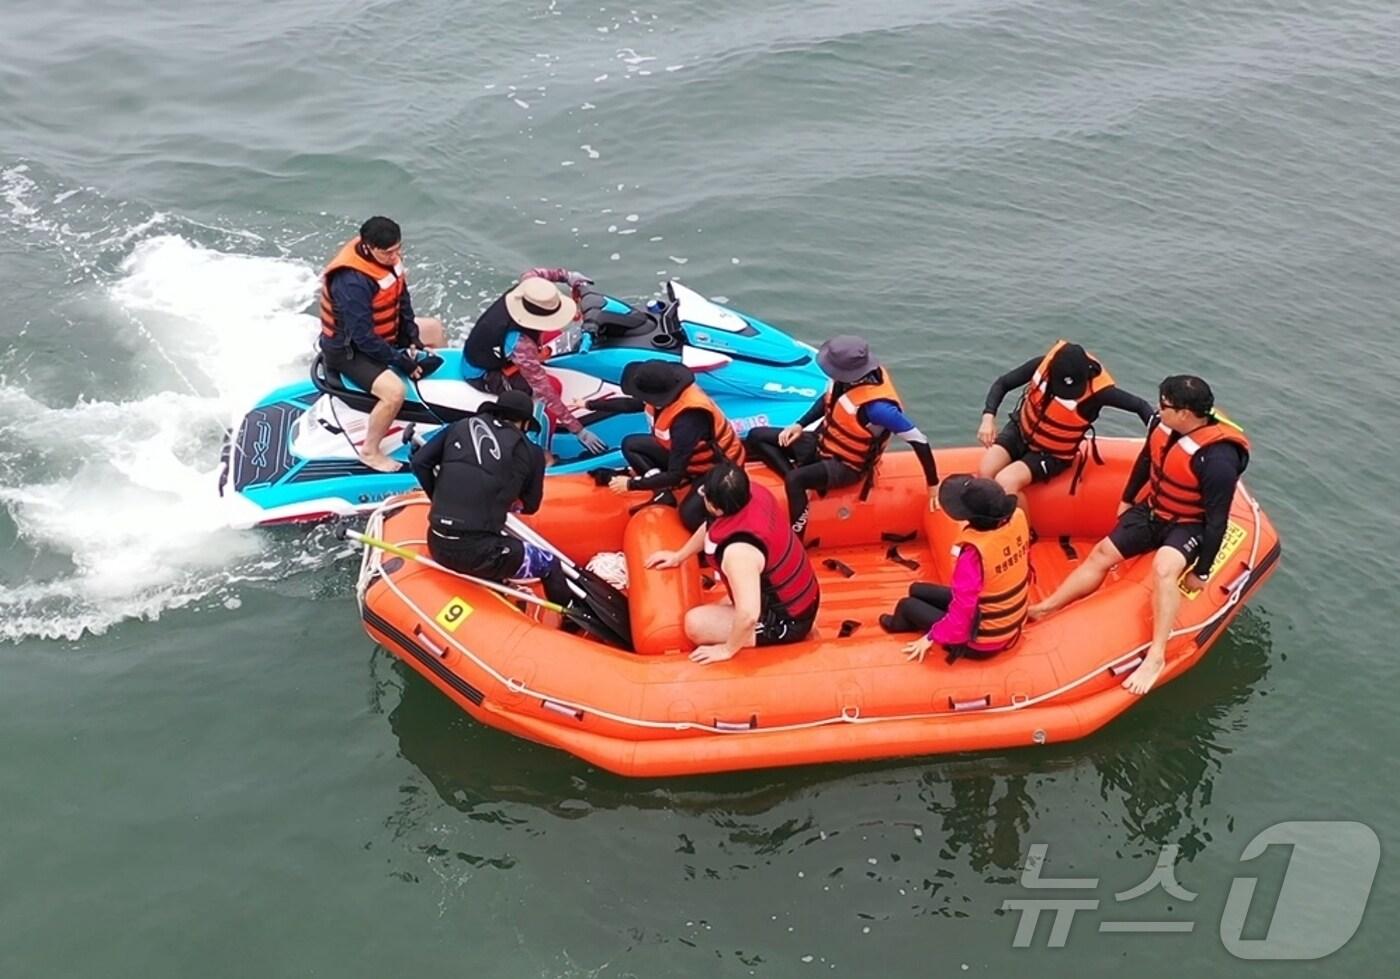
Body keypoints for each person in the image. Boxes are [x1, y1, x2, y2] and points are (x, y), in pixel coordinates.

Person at [1028, 375, 1250, 695]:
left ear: (1185, 414)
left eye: (1165, 405)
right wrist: (1128, 498)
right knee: (1103, 553)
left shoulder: (1218, 460)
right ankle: (1046, 607)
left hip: (1190, 524)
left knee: (1164, 568)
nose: (1158, 409)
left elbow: (1217, 520)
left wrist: (1202, 571)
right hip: (1154, 510)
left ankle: (1156, 654)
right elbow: (1147, 460)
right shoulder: (1163, 426)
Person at [744, 335, 940, 537]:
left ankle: (797, 539)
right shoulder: (845, 380)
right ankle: (803, 485)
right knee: (756, 436)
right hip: (823, 443)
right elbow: (828, 400)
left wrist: (932, 484)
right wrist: (800, 424)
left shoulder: (879, 408)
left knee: (795, 480)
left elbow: (919, 441)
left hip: (846, 465)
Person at [408, 390, 572, 609]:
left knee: (494, 547)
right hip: (477, 553)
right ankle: (571, 618)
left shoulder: (459, 426)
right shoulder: (532, 452)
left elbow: (419, 462)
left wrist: (437, 497)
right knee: (549, 563)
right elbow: (530, 506)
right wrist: (504, 498)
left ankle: (499, 592)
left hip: (437, 542)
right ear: (525, 423)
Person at [645, 463, 820, 664]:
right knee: (723, 606)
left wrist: (727, 650)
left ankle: (790, 633)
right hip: (799, 598)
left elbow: (748, 615)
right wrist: (679, 556)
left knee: (695, 623)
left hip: (787, 621)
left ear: (715, 507)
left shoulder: (739, 553)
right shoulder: (753, 493)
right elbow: (712, 529)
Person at [319, 216, 448, 472]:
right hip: (349, 350)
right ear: (369, 247)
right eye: (388, 252)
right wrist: (402, 362)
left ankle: (432, 403)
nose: (395, 256)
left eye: (398, 249)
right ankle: (370, 451)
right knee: (394, 393)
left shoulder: (388, 259)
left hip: (381, 336)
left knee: (434, 328)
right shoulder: (352, 281)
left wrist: (412, 336)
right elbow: (363, 337)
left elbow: (402, 299)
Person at [976, 340, 1153, 507]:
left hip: (1051, 454)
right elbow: (1003, 383)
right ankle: (993, 519)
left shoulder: (1100, 393)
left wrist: (1156, 439)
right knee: (986, 472)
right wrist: (988, 417)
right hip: (1020, 431)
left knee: (1006, 482)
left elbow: (1140, 406)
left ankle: (1024, 527)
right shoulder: (1043, 365)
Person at [884, 476, 1031, 665]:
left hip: (981, 641)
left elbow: (963, 613)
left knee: (906, 605)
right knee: (916, 589)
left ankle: (896, 626)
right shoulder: (1018, 519)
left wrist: (931, 637)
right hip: (1003, 619)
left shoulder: (973, 555)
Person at [582, 360, 746, 530]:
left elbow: (675, 474)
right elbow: (631, 404)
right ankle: (662, 493)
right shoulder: (665, 394)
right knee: (631, 445)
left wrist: (631, 484)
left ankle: (722, 529)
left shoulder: (687, 420)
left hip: (715, 468)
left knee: (689, 515)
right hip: (688, 458)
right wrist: (590, 404)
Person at [464, 267, 607, 455]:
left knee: (555, 334)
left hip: (497, 349)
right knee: (553, 386)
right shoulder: (520, 344)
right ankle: (539, 448)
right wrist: (578, 430)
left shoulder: (528, 291)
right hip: (484, 374)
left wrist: (568, 277)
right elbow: (544, 391)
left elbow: (535, 273)